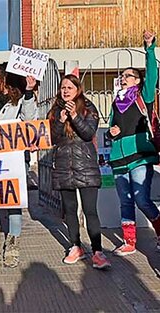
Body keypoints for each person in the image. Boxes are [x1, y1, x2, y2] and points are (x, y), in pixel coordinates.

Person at [48, 74, 111, 269]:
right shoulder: (55, 110)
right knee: (70, 211)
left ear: (78, 90)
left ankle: (98, 252)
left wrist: (74, 116)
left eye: (70, 87)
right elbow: (52, 137)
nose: (65, 91)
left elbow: (87, 133)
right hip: (64, 166)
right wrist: (60, 120)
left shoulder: (88, 108)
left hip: (86, 166)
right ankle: (76, 247)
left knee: (90, 211)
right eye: (63, 87)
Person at [107, 30, 160, 256]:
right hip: (119, 159)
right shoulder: (115, 102)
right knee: (125, 202)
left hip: (140, 155)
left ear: (137, 81)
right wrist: (111, 132)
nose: (123, 77)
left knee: (141, 199)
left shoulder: (143, 96)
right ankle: (129, 242)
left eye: (128, 75)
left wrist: (149, 47)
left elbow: (152, 75)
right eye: (123, 75)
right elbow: (110, 129)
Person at [0, 62, 37, 267]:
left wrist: (30, 93)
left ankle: (13, 244)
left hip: (14, 160)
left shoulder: (22, 100)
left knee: (13, 203)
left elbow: (29, 120)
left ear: (7, 78)